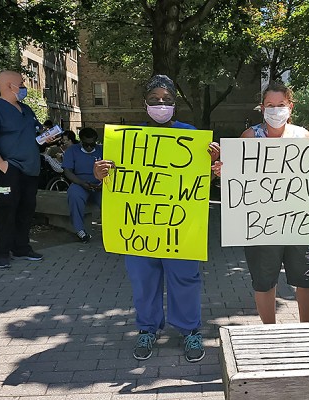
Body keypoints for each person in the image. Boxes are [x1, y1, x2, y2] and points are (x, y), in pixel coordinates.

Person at [93, 75, 220, 363]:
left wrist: (213, 164)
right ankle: (147, 329)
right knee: (143, 279)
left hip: (180, 227)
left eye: (167, 100)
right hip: (140, 227)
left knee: (185, 278)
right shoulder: (125, 140)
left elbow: (203, 176)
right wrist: (100, 174)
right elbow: (113, 179)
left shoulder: (191, 136)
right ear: (144, 104)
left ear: (175, 105)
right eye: (155, 100)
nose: (161, 104)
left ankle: (190, 331)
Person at [212, 82, 309, 325]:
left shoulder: (303, 136)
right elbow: (237, 178)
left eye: (280, 105)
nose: (275, 110)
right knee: (264, 280)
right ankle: (269, 332)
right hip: (261, 223)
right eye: (270, 105)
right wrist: (224, 173)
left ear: (290, 107)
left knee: (306, 278)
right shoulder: (249, 137)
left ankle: (308, 332)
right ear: (262, 108)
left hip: (298, 220)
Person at [0, 70, 45, 268]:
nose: (24, 86)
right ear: (9, 86)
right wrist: (1, 164)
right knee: (8, 210)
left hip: (30, 169)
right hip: (10, 169)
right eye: (22, 83)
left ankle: (21, 248)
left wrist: (48, 137)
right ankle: (1, 252)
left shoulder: (27, 110)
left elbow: (37, 135)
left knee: (26, 209)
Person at [62, 127, 103, 242]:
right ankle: (80, 230)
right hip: (80, 183)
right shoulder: (72, 150)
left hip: (100, 185)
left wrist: (103, 184)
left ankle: (111, 229)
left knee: (109, 200)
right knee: (74, 194)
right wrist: (81, 183)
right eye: (86, 144)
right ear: (80, 141)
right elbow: (67, 171)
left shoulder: (102, 150)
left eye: (92, 144)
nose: (89, 147)